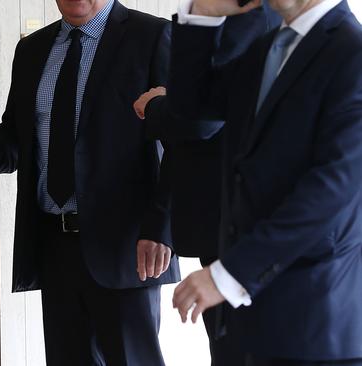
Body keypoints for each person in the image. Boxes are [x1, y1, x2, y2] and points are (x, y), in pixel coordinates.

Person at [0, 1, 180, 364]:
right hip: (54, 247)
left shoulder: (152, 37)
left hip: (126, 249)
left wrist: (161, 228)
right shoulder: (32, 50)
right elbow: (15, 141)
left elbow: (180, 145)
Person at [138, 0, 362, 364]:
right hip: (244, 324)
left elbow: (330, 191)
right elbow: (192, 108)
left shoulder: (352, 53)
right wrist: (201, 14)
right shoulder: (267, 48)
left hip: (315, 325)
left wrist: (228, 275)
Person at [132, 6, 280, 366]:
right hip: (226, 223)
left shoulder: (252, 16)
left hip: (241, 228)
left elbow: (201, 119)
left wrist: (154, 106)